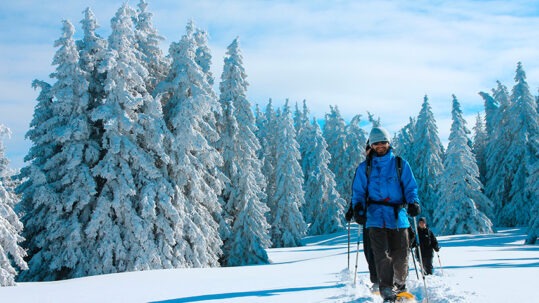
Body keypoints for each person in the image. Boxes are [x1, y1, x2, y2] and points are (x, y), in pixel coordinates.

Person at [351, 126, 421, 303]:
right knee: (381, 255)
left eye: (383, 142)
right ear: (371, 145)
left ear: (389, 143)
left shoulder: (400, 164)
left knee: (401, 254)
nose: (380, 145)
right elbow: (358, 191)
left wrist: (413, 202)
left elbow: (410, 186)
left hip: (398, 216)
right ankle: (387, 290)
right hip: (375, 216)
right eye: (376, 143)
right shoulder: (364, 167)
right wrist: (358, 208)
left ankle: (400, 284)